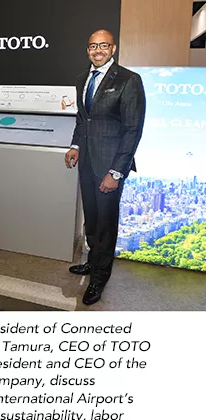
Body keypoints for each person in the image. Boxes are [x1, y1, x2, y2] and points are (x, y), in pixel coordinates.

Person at [65, 29, 146, 305]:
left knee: (106, 224)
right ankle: (93, 261)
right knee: (91, 219)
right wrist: (75, 146)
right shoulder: (82, 79)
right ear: (87, 50)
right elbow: (83, 119)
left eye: (103, 46)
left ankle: (100, 277)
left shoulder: (129, 80)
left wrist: (116, 172)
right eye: (92, 46)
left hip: (110, 166)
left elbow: (133, 130)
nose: (97, 50)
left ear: (113, 49)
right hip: (87, 163)